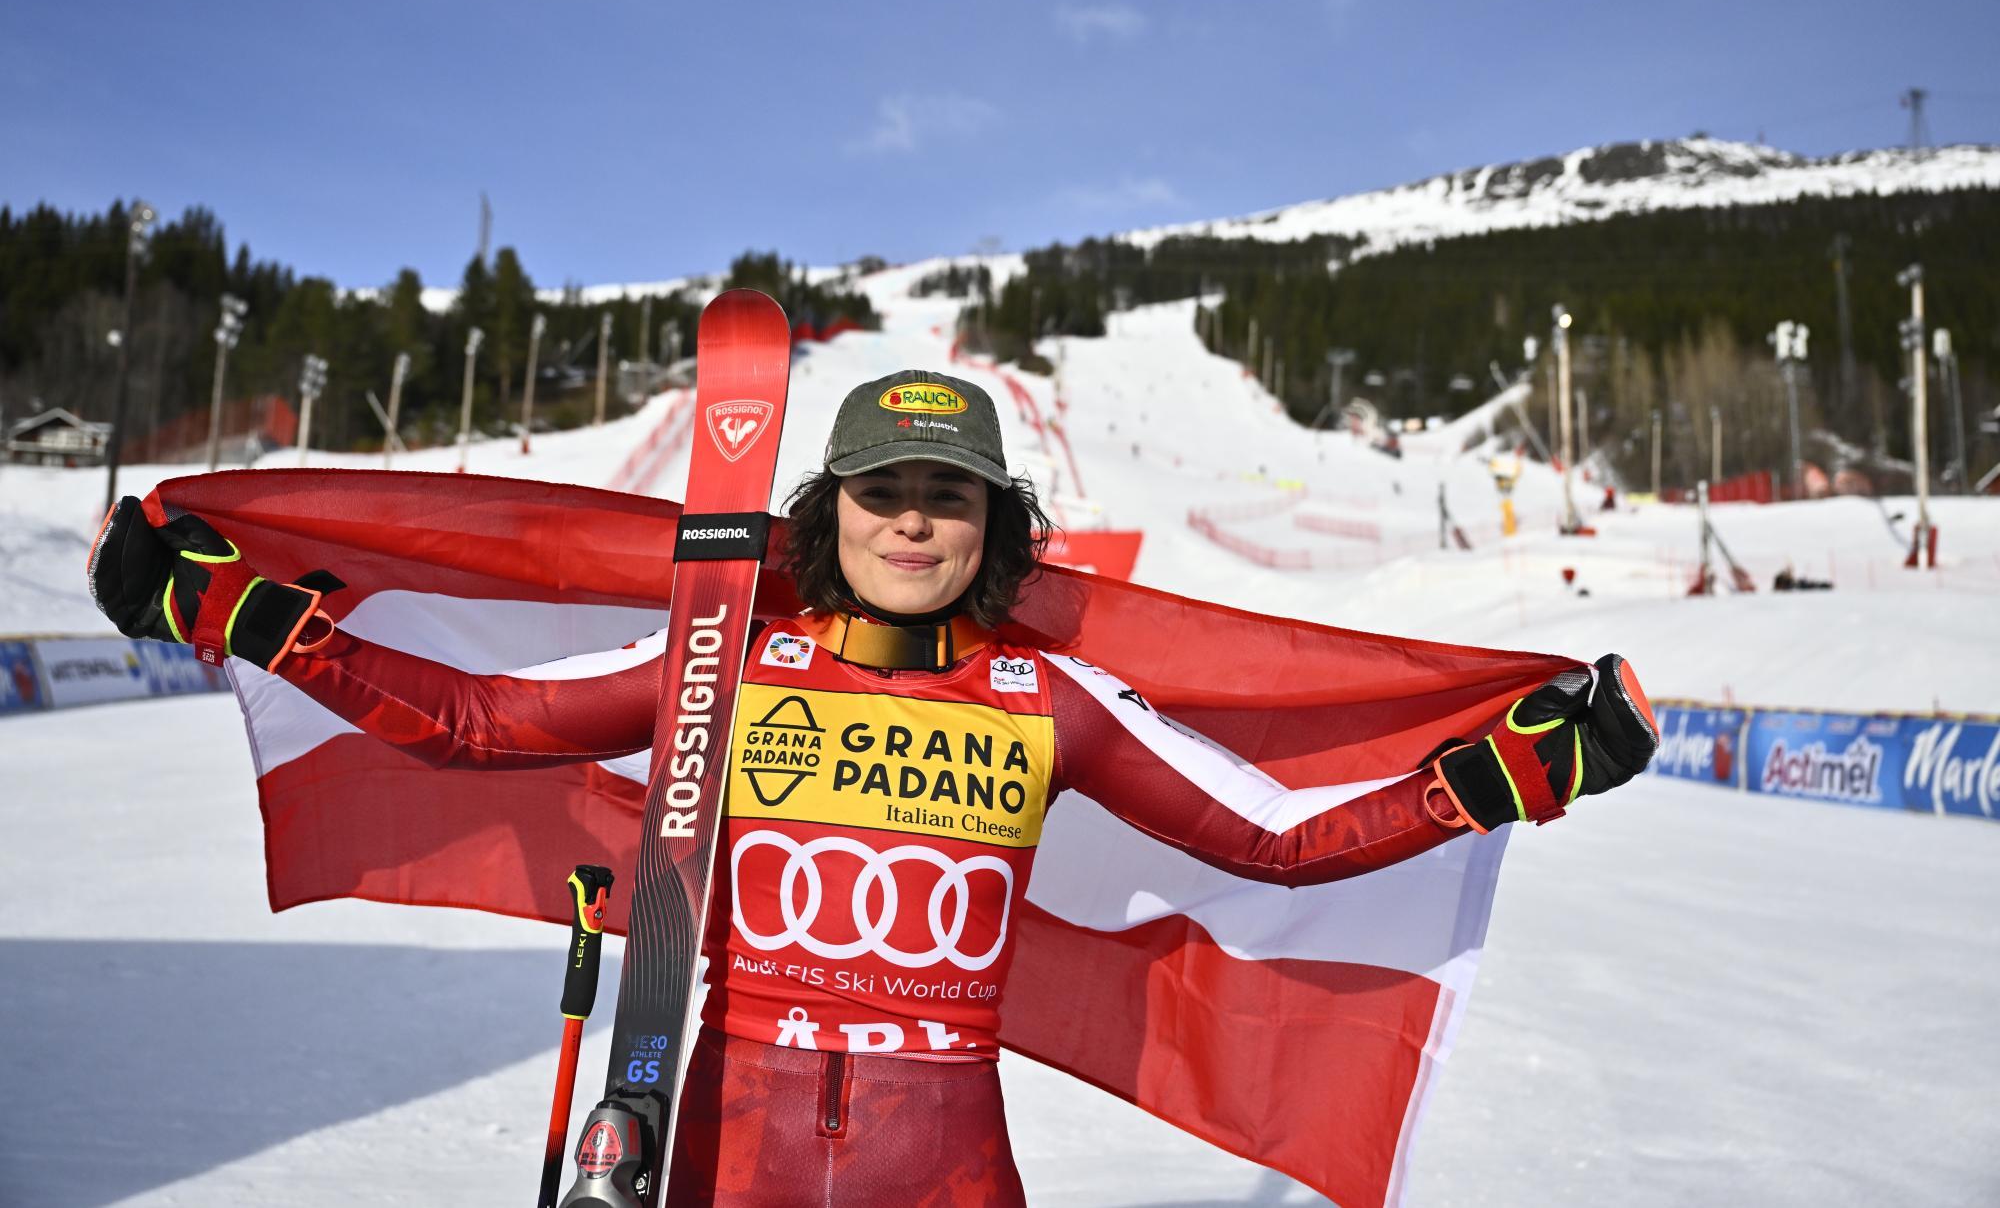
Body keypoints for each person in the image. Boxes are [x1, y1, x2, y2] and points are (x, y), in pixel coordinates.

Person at [88, 368, 1660, 1206]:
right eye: (884, 493)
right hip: (729, 1139)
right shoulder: (726, 657)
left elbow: (1273, 837)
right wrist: (249, 616)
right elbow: (482, 723)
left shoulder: (1053, 701)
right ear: (826, 512)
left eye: (951, 499)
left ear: (998, 525)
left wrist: (1506, 771)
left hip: (948, 1160)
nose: (916, 524)